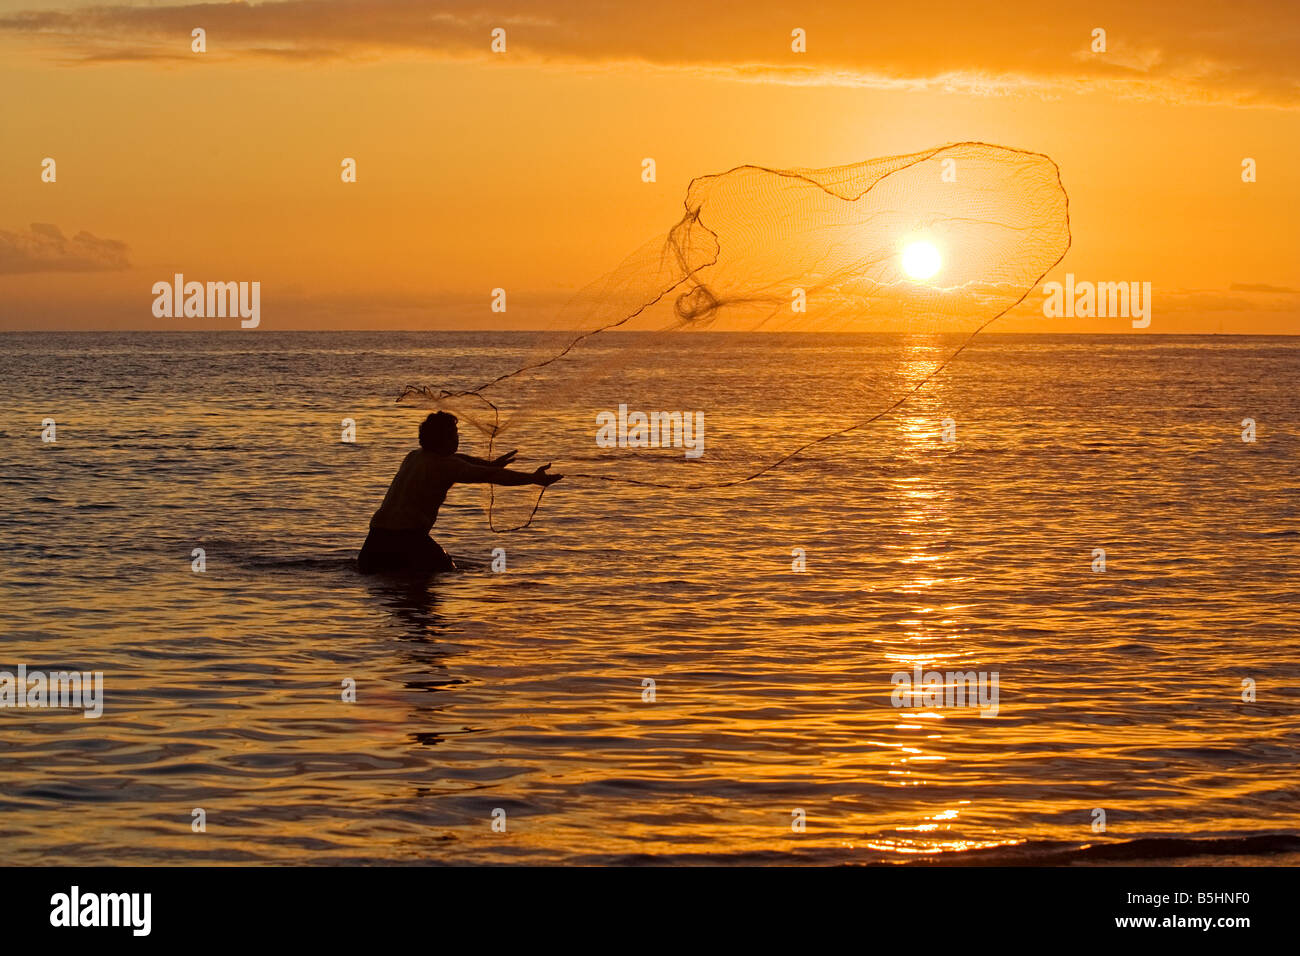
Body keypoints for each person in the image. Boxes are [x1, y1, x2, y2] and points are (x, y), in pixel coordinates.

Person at [358, 411, 561, 574]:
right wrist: (533, 479)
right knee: (447, 573)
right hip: (408, 541)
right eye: (454, 434)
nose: (458, 438)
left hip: (374, 541)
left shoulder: (414, 456)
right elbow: (492, 477)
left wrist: (491, 464)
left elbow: (464, 460)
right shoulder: (445, 467)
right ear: (443, 439)